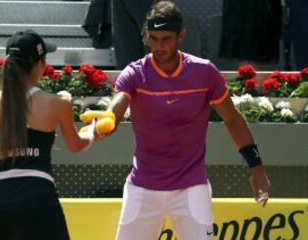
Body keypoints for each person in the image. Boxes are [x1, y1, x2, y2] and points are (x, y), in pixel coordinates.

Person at [105, 1, 271, 239]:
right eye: (153, 38)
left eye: (166, 39)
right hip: (141, 187)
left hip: (192, 188)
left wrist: (257, 168)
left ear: (181, 35)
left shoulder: (204, 73)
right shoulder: (134, 73)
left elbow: (232, 119)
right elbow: (117, 105)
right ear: (145, 36)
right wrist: (106, 121)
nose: (159, 46)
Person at [0, 30, 96, 240]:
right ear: (40, 65)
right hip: (37, 196)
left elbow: (1, 157)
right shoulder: (57, 103)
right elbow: (76, 145)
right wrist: (92, 133)